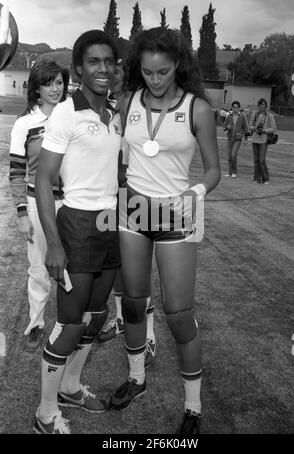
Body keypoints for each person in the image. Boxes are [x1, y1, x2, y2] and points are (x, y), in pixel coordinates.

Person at [109, 27, 220, 434]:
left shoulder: (198, 109)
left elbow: (213, 171)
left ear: (178, 66)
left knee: (178, 315)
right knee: (134, 304)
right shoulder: (128, 102)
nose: (155, 79)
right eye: (148, 72)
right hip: (133, 213)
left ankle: (193, 407)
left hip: (176, 218)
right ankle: (137, 379)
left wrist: (194, 192)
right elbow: (120, 154)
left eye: (164, 71)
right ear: (139, 68)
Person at [33, 30, 122, 434]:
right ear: (80, 68)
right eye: (93, 62)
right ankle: (45, 413)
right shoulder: (66, 112)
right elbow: (44, 180)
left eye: (109, 61)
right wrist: (53, 244)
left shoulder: (116, 113)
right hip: (77, 223)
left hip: (109, 222)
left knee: (95, 313)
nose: (103, 68)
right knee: (70, 322)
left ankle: (70, 386)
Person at [96, 58, 157, 369]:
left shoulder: (140, 102)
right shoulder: (104, 103)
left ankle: (149, 336)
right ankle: (121, 319)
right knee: (117, 261)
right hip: (110, 193)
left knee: (138, 271)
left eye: (117, 67)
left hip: (136, 193)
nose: (110, 73)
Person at [9, 60, 69, 352]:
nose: (55, 89)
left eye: (59, 82)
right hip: (36, 203)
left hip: (71, 203)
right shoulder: (24, 124)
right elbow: (17, 172)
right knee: (38, 266)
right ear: (36, 88)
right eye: (48, 83)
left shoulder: (72, 117)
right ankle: (36, 323)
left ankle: (72, 322)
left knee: (76, 265)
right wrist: (22, 213)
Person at [249, 98, 277, 184]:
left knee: (261, 160)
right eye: (260, 104)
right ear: (258, 106)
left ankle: (265, 178)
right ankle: (256, 179)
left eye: (263, 105)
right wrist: (255, 129)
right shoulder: (255, 113)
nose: (262, 106)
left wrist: (264, 130)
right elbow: (250, 125)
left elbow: (274, 128)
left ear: (266, 106)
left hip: (264, 140)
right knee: (256, 161)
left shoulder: (269, 115)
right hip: (255, 139)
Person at [223, 100, 250, 178]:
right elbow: (224, 126)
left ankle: (234, 172)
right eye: (234, 107)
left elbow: (246, 128)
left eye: (237, 107)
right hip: (230, 138)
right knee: (229, 156)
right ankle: (230, 172)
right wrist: (226, 127)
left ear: (239, 108)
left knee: (233, 155)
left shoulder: (242, 116)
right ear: (232, 108)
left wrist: (246, 139)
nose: (235, 108)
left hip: (238, 138)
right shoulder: (229, 116)